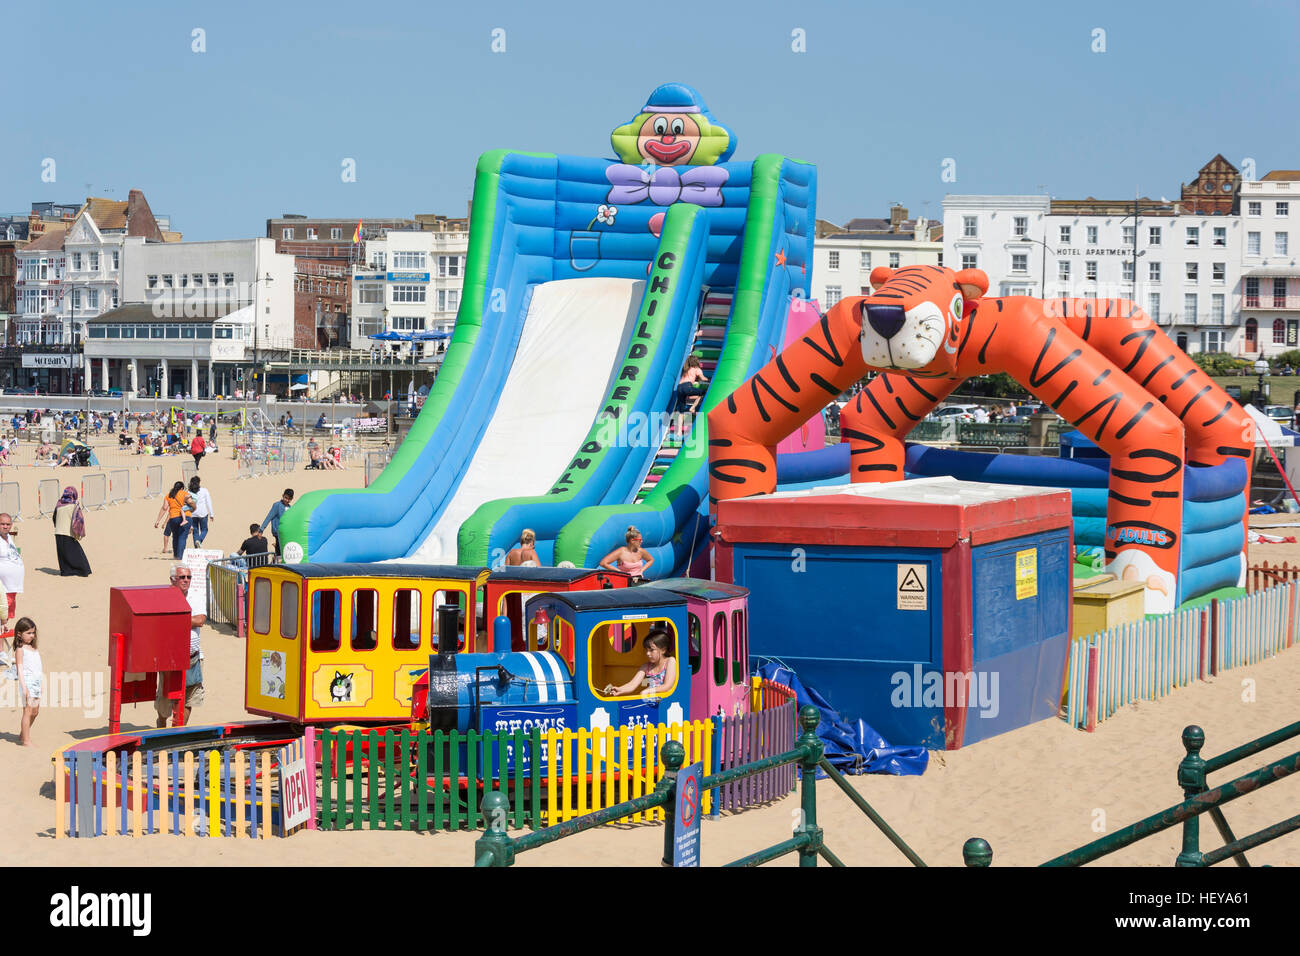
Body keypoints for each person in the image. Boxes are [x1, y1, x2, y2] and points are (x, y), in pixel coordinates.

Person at [156, 565, 205, 728]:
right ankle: (161, 725)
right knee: (165, 698)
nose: (186, 580)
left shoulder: (196, 596)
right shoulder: (165, 597)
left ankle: (177, 731)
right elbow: (162, 622)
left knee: (190, 696)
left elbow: (200, 620)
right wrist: (187, 619)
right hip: (169, 658)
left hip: (193, 657)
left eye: (188, 577)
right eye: (182, 577)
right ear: (172, 580)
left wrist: (177, 619)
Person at [602, 628, 676, 697]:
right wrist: (620, 689)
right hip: (651, 701)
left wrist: (648, 691)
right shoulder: (646, 667)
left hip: (667, 702)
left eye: (652, 650)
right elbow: (632, 684)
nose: (648, 653)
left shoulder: (670, 661)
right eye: (646, 650)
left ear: (663, 650)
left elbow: (667, 686)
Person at [13, 617, 41, 745]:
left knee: (35, 712)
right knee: (28, 711)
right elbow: (19, 667)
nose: (32, 636)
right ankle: (26, 740)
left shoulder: (34, 649)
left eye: (33, 632)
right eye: (28, 633)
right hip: (27, 683)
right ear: (19, 634)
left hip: (37, 682)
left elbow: (38, 667)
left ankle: (23, 733)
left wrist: (41, 684)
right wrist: (24, 687)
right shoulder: (20, 650)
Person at [52, 486, 91, 577]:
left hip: (58, 532)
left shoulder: (59, 504)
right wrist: (78, 533)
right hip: (68, 532)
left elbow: (54, 518)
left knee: (63, 554)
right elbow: (78, 521)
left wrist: (57, 526)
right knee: (76, 554)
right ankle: (82, 571)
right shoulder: (74, 505)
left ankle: (66, 572)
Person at [155, 481, 192, 559]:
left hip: (173, 518)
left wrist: (158, 520)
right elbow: (191, 503)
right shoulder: (185, 494)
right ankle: (180, 556)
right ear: (182, 488)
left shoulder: (168, 495)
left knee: (175, 537)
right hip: (185, 516)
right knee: (182, 537)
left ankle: (176, 555)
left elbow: (164, 508)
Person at [0, 512, 24, 625]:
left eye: (8, 524)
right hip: (4, 587)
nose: (5, 526)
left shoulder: (8, 537)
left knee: (5, 620)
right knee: (2, 619)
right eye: (2, 524)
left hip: (12, 587)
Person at [260, 488, 294, 555]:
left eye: (289, 499)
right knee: (279, 552)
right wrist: (261, 529)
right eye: (285, 497)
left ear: (292, 499)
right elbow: (269, 517)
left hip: (287, 534)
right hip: (278, 533)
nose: (287, 500)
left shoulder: (290, 508)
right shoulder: (277, 505)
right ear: (283, 495)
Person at [187, 475, 214, 545]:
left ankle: (196, 547)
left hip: (192, 514)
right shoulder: (204, 490)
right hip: (203, 513)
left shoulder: (188, 492)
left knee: (195, 531)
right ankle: (199, 540)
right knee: (204, 530)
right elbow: (208, 502)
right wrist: (211, 514)